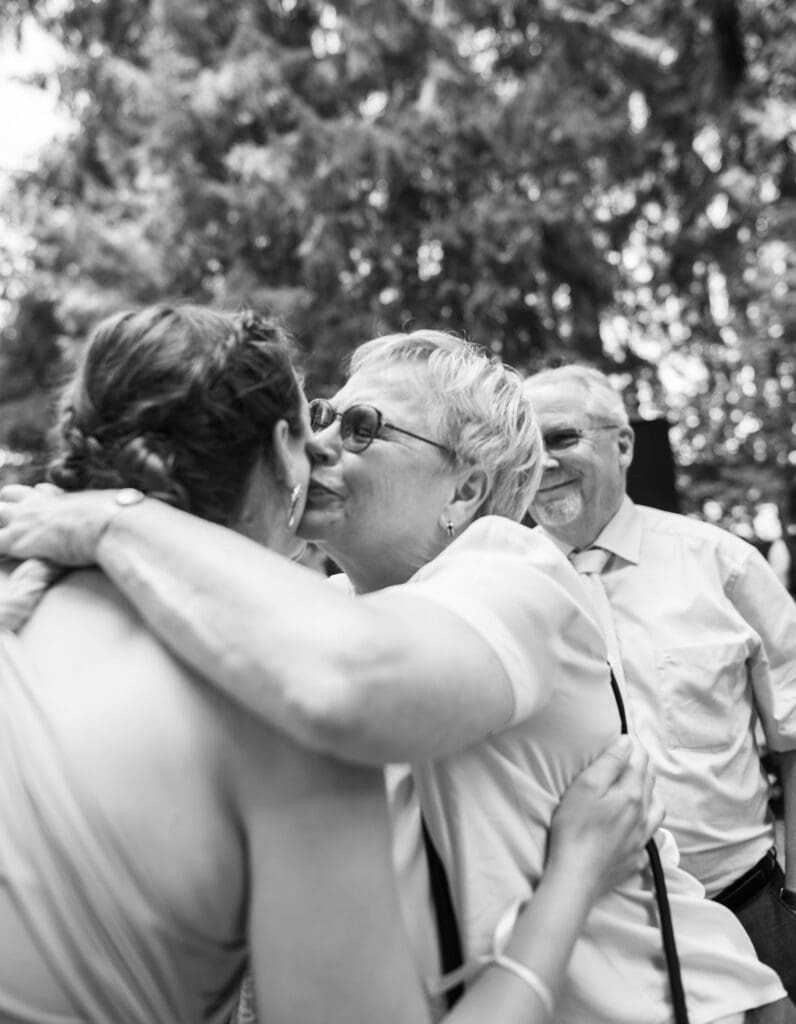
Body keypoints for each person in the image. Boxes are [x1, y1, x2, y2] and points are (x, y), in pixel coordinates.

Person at [0, 328, 791, 1024]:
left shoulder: (515, 571)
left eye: (365, 426)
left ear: (467, 489)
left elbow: (351, 681)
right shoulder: (318, 607)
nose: (318, 446)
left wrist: (116, 516)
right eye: (320, 417)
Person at [523, 363, 796, 1003]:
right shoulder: (498, 582)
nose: (541, 464)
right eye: (523, 448)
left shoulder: (723, 564)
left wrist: (793, 897)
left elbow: (794, 736)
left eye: (561, 439)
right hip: (590, 929)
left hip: (745, 906)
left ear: (622, 444)